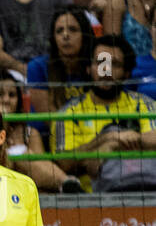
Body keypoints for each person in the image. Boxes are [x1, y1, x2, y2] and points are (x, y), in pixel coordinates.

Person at [54, 33, 156, 189]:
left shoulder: (144, 104)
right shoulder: (68, 113)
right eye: (100, 62)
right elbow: (64, 163)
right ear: (88, 68)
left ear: (127, 72)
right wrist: (107, 137)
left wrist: (111, 147)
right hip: (90, 201)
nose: (106, 70)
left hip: (147, 191)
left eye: (114, 64)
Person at [0, 70, 81, 191]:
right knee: (17, 152)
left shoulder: (29, 132)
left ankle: (66, 183)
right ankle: (66, 182)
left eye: (12, 95)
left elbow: (41, 169)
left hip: (22, 190)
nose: (6, 100)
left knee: (24, 154)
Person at [26, 5, 94, 134]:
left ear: (85, 34)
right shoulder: (36, 67)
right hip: (49, 135)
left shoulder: (99, 62)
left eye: (73, 29)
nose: (65, 35)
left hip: (93, 133)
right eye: (59, 31)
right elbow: (51, 120)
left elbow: (109, 99)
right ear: (53, 38)